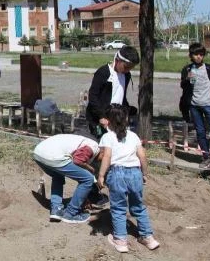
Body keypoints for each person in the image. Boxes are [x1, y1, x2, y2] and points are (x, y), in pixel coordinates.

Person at [98, 105, 160, 253]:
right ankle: (148, 237)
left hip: (117, 173)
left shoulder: (108, 137)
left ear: (108, 121)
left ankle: (120, 240)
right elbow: (142, 156)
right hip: (135, 173)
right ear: (125, 119)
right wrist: (144, 173)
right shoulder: (133, 136)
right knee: (138, 206)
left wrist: (101, 175)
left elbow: (106, 156)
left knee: (118, 208)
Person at [32, 134, 100, 223]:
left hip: (38, 153)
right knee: (88, 179)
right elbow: (77, 160)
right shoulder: (94, 146)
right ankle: (71, 214)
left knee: (58, 175)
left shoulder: (82, 141)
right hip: (53, 156)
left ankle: (56, 209)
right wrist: (90, 169)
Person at [179, 43, 210, 169]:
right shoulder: (188, 69)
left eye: (201, 54)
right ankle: (206, 158)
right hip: (194, 105)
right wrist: (187, 79)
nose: (199, 57)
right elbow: (183, 85)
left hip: (209, 105)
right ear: (190, 55)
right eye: (196, 54)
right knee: (200, 131)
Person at [86, 46, 139, 138]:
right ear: (117, 60)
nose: (128, 70)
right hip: (100, 117)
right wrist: (101, 116)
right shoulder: (103, 72)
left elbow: (121, 95)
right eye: (126, 67)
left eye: (131, 68)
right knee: (101, 146)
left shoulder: (126, 75)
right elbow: (93, 96)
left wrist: (126, 111)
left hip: (116, 117)